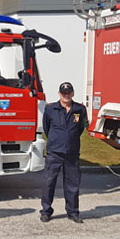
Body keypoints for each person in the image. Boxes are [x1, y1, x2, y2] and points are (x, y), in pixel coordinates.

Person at [40, 82, 88, 224]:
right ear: (59, 94)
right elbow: (46, 128)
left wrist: (69, 140)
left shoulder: (79, 109)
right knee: (49, 183)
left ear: (73, 93)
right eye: (63, 93)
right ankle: (46, 211)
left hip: (71, 153)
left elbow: (81, 128)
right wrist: (57, 140)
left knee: (72, 184)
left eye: (68, 93)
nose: (66, 95)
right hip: (54, 152)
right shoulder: (50, 109)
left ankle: (73, 212)